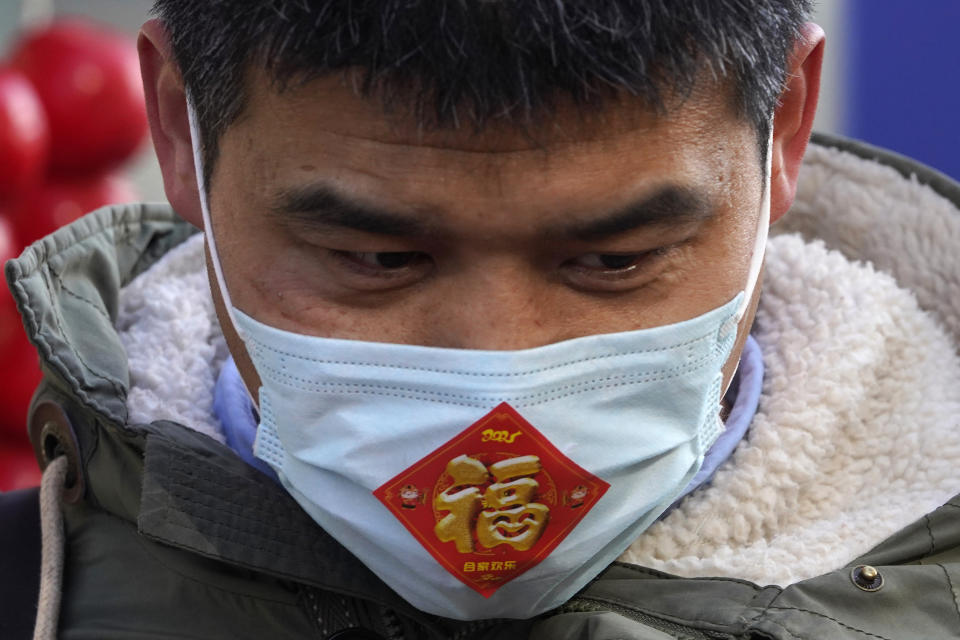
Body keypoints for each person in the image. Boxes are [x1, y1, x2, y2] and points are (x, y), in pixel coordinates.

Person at [4, 1, 960, 638]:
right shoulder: (32, 587)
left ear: (783, 127)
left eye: (615, 262)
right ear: (180, 130)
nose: (498, 379)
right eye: (375, 261)